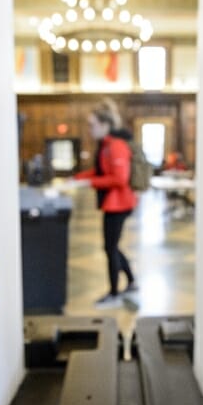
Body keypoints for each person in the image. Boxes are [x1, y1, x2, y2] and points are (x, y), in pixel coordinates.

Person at [73, 100, 137, 307]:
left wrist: (89, 182)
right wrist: (78, 178)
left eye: (92, 125)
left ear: (105, 124)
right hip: (112, 203)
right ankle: (132, 281)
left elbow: (119, 178)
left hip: (119, 204)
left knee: (110, 248)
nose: (90, 130)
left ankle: (113, 293)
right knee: (112, 246)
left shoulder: (116, 146)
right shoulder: (105, 146)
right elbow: (101, 172)